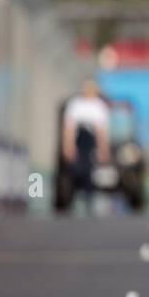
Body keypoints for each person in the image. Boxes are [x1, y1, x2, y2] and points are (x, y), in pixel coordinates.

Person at [61, 79, 111, 214]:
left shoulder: (99, 106)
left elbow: (101, 131)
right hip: (79, 140)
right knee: (75, 170)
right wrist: (68, 146)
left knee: (90, 170)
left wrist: (103, 149)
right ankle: (74, 198)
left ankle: (89, 199)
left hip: (91, 142)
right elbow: (69, 128)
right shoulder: (76, 105)